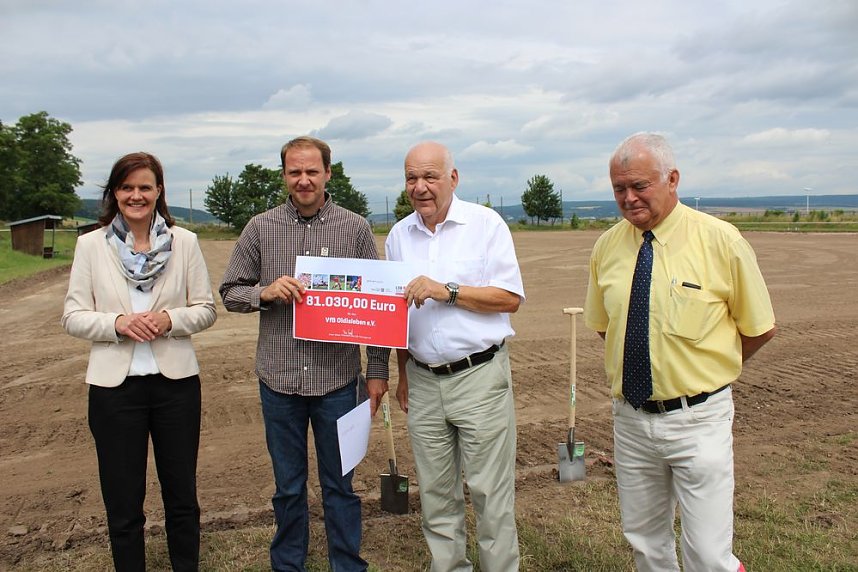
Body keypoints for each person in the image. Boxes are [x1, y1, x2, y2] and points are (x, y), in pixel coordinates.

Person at [583, 132, 777, 572]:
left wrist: (704, 369)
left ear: (672, 179)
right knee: (646, 544)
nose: (628, 198)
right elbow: (606, 327)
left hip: (699, 421)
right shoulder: (606, 247)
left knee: (708, 553)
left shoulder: (721, 241)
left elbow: (759, 328)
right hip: (631, 421)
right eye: (618, 189)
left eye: (639, 186)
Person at [219, 136, 390, 572]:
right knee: (288, 487)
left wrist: (376, 372)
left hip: (337, 382)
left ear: (328, 173)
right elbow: (230, 293)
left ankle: (347, 564)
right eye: (294, 172)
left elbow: (379, 305)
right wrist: (265, 292)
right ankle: (288, 564)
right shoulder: (260, 227)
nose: (304, 180)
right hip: (279, 381)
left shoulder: (354, 228)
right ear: (284, 176)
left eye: (312, 171)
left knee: (340, 486)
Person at [62, 152, 217, 571]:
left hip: (176, 388)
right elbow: (73, 316)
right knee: (123, 500)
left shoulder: (185, 242)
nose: (136, 195)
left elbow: (205, 308)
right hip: (115, 390)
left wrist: (169, 319)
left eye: (145, 187)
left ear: (158, 191)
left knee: (181, 495)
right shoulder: (90, 246)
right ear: (115, 192)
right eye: (127, 187)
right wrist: (118, 323)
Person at [385, 141, 525, 571]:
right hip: (424, 380)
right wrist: (403, 374)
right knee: (436, 492)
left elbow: (510, 298)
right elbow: (399, 317)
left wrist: (447, 290)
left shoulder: (485, 224)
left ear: (453, 178)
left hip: (478, 377)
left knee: (490, 492)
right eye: (412, 178)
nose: (420, 187)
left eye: (430, 176)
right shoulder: (398, 237)